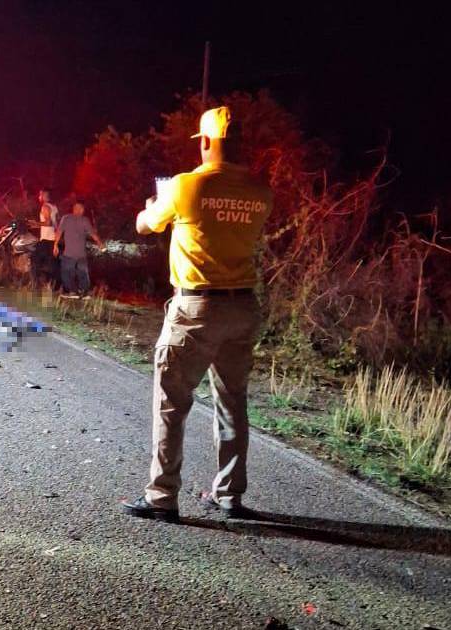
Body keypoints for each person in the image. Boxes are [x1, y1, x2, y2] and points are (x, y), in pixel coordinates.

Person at [121, 106, 273, 522]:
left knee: (172, 401)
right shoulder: (261, 191)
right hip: (243, 306)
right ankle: (229, 494)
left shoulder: (186, 185)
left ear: (206, 141)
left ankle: (162, 495)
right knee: (233, 401)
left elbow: (145, 225)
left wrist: (153, 205)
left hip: (197, 308)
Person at [53, 201, 105, 298]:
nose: (78, 210)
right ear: (81, 210)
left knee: (67, 273)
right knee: (82, 273)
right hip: (81, 254)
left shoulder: (66, 218)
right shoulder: (83, 220)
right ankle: (84, 292)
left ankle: (73, 292)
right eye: (77, 208)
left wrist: (55, 245)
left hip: (69, 253)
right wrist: (100, 243)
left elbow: (59, 232)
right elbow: (93, 234)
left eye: (79, 208)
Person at [30, 189, 60, 287]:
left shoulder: (45, 206)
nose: (39, 197)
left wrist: (36, 223)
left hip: (46, 239)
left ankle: (35, 285)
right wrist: (35, 225)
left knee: (34, 260)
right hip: (54, 239)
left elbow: (48, 222)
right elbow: (56, 223)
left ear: (43, 196)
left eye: (40, 195)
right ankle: (53, 286)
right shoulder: (54, 207)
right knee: (52, 265)